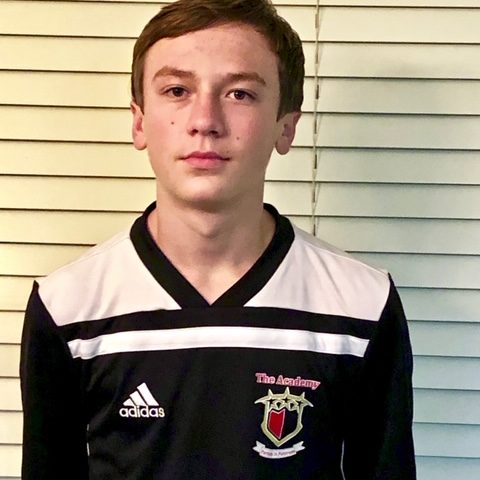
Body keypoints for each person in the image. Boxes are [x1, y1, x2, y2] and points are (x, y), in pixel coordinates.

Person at [20, 0, 416, 478]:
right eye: (177, 90)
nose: (205, 120)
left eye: (240, 94)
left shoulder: (361, 306)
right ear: (139, 121)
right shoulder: (68, 308)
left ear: (285, 127)